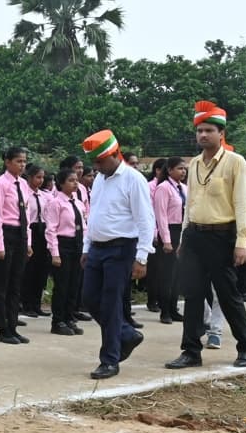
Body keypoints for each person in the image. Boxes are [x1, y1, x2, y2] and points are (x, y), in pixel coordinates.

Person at [166, 101, 246, 369]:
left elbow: (242, 204)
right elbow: (189, 204)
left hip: (222, 237)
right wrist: (183, 238)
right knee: (192, 295)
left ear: (221, 134)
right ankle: (191, 351)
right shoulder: (193, 164)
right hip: (195, 235)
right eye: (199, 131)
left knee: (228, 294)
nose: (203, 135)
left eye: (209, 131)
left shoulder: (235, 163)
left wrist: (242, 242)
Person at [79, 131, 154, 380]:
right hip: (98, 248)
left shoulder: (133, 180)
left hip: (121, 248)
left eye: (99, 161)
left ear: (113, 154)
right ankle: (126, 334)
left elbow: (145, 220)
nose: (95, 167)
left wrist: (142, 257)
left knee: (111, 304)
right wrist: (87, 247)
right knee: (89, 298)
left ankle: (109, 360)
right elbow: (95, 214)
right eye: (93, 162)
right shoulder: (101, 179)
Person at [0, 146, 34, 345]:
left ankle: (13, 325)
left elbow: (28, 215)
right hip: (5, 234)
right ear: (7, 162)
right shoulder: (0, 184)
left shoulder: (23, 184)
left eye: (24, 161)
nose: (22, 165)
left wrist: (28, 241)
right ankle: (3, 328)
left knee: (16, 283)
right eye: (18, 161)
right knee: (2, 284)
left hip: (20, 234)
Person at [46, 168, 86, 335]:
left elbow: (84, 226)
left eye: (76, 180)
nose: (75, 183)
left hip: (78, 244)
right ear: (61, 183)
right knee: (62, 285)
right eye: (71, 180)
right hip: (63, 245)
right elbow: (51, 229)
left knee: (74, 284)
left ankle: (70, 318)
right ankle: (58, 321)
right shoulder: (56, 203)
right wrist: (55, 253)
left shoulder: (78, 203)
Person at [150, 157, 187, 324]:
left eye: (184, 169)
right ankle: (165, 310)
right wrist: (166, 240)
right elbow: (161, 216)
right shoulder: (163, 188)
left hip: (181, 230)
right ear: (170, 170)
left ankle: (173, 308)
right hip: (169, 231)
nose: (183, 171)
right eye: (179, 168)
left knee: (178, 273)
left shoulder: (184, 188)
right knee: (167, 274)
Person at [20, 163, 51, 318]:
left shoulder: (44, 195)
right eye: (37, 177)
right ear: (30, 177)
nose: (40, 180)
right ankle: (27, 304)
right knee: (29, 270)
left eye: (42, 177)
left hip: (43, 231)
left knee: (41, 269)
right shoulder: (25, 194)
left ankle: (36, 304)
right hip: (31, 230)